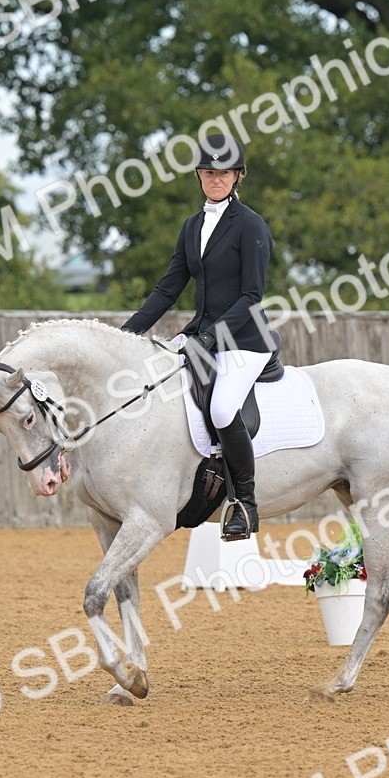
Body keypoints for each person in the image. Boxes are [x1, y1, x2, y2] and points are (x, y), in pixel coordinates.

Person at [121, 133, 275, 541]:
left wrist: (210, 337)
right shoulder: (192, 227)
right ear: (199, 176)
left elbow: (251, 297)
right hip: (202, 335)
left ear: (237, 176)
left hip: (245, 339)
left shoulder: (250, 225)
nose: (215, 180)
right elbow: (168, 289)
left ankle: (245, 503)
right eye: (209, 173)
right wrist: (126, 334)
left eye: (223, 173)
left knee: (224, 408)